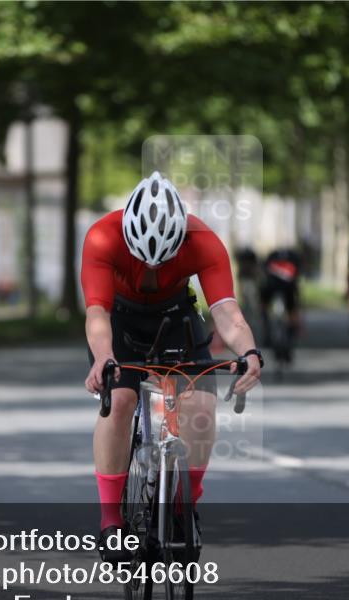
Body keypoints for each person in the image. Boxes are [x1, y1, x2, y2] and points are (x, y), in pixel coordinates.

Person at [80, 171, 262, 562]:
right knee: (122, 399)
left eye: (160, 261)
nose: (149, 270)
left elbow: (226, 312)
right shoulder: (101, 236)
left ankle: (184, 508)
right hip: (119, 322)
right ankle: (112, 520)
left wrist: (249, 352)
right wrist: (102, 358)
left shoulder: (204, 241)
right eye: (142, 260)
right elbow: (97, 312)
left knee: (200, 405)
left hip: (175, 315)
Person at [259, 247, 302, 360]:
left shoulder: (272, 257)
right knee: (293, 309)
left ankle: (267, 330)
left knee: (263, 304)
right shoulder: (293, 258)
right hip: (289, 289)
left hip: (271, 287)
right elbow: (297, 275)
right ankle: (291, 335)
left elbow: (265, 271)